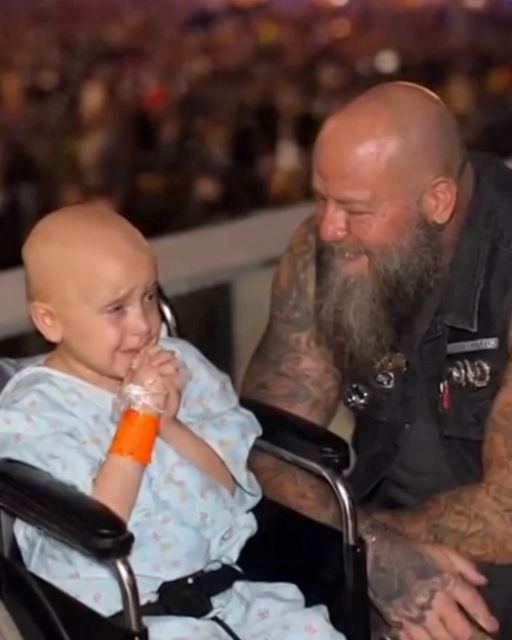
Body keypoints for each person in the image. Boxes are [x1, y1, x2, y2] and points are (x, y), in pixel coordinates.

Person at [242, 81, 512, 640]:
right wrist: (370, 549)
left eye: (355, 210)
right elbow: (265, 440)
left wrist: (366, 547)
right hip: (368, 527)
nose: (328, 228)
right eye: (321, 199)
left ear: (438, 201)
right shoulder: (324, 253)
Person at [0, 204, 345, 640]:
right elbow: (103, 524)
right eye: (116, 308)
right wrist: (139, 418)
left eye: (148, 296)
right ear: (50, 321)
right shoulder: (36, 411)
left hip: (225, 594)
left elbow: (229, 487)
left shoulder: (177, 365)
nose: (144, 324)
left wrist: (169, 424)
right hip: (126, 616)